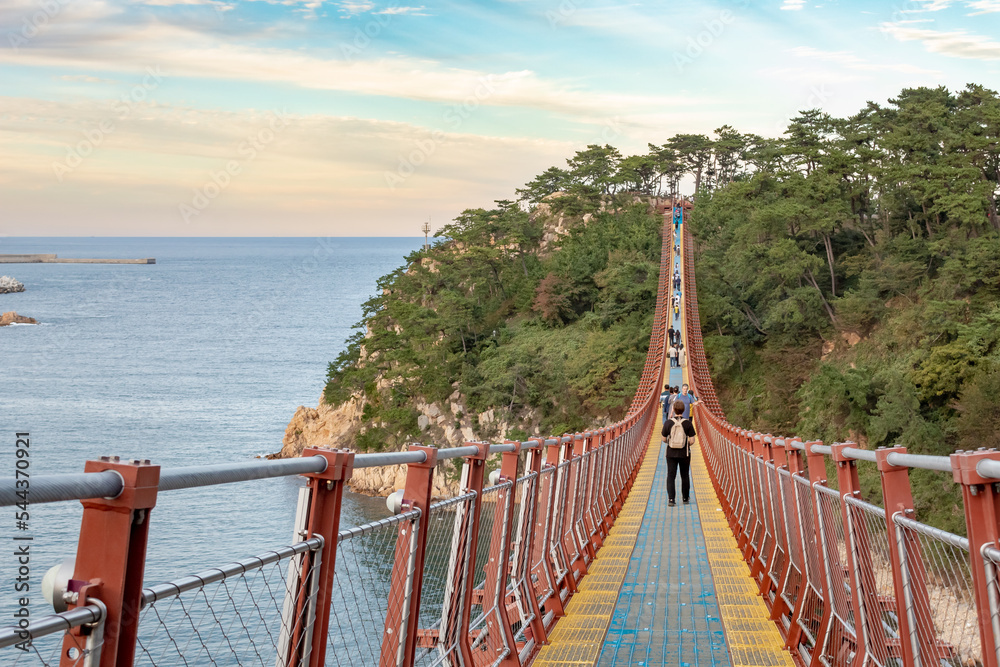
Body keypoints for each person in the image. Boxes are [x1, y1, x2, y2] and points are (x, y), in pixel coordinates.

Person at [662, 400, 696, 505]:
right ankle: (685, 498)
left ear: (674, 409)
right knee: (685, 475)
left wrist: (671, 442)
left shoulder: (668, 423)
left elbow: (663, 439)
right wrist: (685, 444)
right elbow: (692, 440)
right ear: (683, 410)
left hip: (671, 453)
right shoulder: (688, 423)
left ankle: (671, 499)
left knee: (671, 475)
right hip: (684, 453)